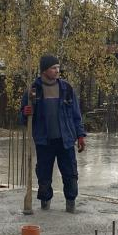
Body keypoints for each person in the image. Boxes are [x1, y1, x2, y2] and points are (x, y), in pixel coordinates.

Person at [21, 54, 86, 212]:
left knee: (70, 174)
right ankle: (45, 205)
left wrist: (80, 135)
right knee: (44, 176)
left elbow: (76, 115)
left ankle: (70, 204)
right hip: (44, 141)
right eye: (53, 68)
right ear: (44, 70)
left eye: (58, 67)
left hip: (66, 140)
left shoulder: (66, 89)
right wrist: (25, 112)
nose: (57, 71)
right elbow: (23, 118)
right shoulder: (33, 90)